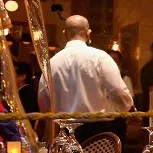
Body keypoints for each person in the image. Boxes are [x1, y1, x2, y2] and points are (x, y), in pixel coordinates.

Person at [38, 15, 134, 143]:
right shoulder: (100, 58)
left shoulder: (52, 63)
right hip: (98, 130)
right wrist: (124, 109)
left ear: (64, 33)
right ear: (88, 33)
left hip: (64, 131)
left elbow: (44, 100)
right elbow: (118, 91)